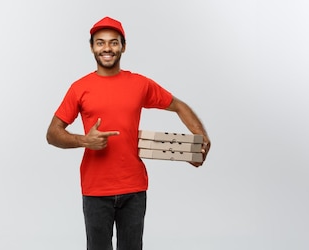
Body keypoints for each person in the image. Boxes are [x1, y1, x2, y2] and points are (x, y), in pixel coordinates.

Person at [46, 16, 211, 250]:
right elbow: (52, 133)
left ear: (123, 46)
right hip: (96, 189)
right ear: (92, 47)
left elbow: (178, 105)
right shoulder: (79, 88)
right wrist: (85, 140)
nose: (107, 48)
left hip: (134, 188)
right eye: (100, 42)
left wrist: (201, 139)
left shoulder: (139, 84)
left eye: (114, 42)